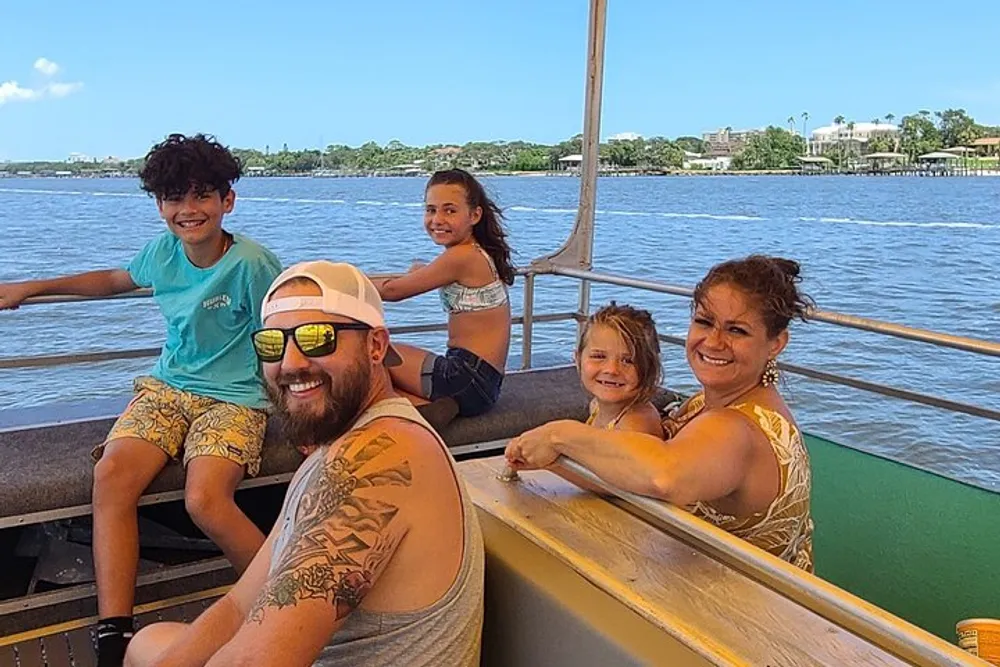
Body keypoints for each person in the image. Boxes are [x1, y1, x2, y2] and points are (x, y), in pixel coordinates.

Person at [0, 133, 283, 665]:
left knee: (205, 499)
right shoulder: (162, 252)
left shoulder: (252, 264)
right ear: (159, 205)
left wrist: (310, 424)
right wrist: (30, 287)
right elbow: (111, 280)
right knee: (111, 477)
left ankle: (284, 603)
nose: (188, 210)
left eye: (202, 196)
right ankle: (114, 633)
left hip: (235, 399)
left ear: (228, 200)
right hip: (167, 388)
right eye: (174, 198)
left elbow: (284, 337)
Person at [124, 261, 484, 667]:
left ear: (376, 347)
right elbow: (243, 604)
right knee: (149, 645)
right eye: (272, 344)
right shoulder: (342, 446)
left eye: (318, 339)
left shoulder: (378, 459)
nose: (291, 363)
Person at [506, 255, 815, 571]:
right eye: (704, 322)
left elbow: (664, 475)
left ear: (776, 344)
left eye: (736, 331)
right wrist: (554, 459)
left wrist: (559, 435)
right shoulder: (706, 403)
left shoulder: (737, 428)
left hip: (741, 606)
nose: (713, 341)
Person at [371, 169, 515, 422]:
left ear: (475, 215)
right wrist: (419, 273)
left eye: (449, 211)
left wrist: (340, 280)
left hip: (464, 378)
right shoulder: (475, 253)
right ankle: (426, 407)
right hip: (483, 383)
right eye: (430, 210)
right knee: (385, 360)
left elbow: (393, 291)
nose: (437, 219)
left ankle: (403, 413)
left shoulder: (461, 257)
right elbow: (410, 280)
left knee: (372, 353)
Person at [576, 302, 664, 436]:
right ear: (578, 359)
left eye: (628, 361)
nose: (612, 370)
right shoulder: (597, 406)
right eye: (599, 356)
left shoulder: (636, 425)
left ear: (650, 367)